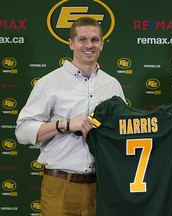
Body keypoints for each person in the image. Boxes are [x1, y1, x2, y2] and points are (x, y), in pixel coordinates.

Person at [15, 17, 125, 216]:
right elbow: (22, 132)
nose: (89, 45)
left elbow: (122, 135)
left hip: (101, 186)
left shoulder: (112, 85)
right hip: (60, 185)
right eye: (82, 39)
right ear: (71, 43)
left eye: (95, 39)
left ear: (102, 43)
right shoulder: (50, 82)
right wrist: (64, 124)